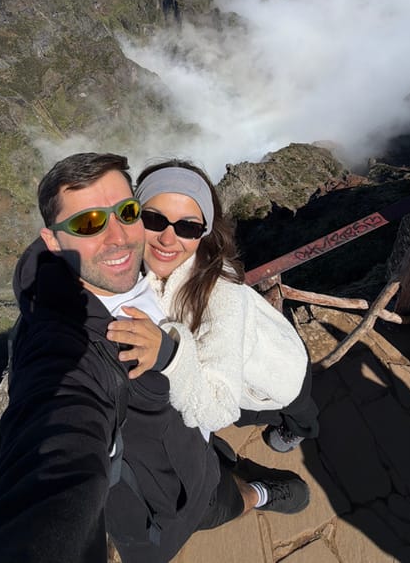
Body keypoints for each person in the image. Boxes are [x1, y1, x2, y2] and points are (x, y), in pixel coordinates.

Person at [0, 152, 309, 563]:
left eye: (127, 212)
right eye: (87, 223)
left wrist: (172, 354)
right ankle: (257, 493)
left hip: (194, 447)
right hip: (158, 501)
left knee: (221, 489)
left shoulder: (145, 267)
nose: (118, 236)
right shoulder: (70, 341)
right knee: (213, 509)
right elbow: (61, 430)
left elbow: (213, 389)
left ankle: (255, 490)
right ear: (52, 240)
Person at [106, 159, 319, 452]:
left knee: (300, 410)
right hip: (261, 356)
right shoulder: (148, 269)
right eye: (154, 219)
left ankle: (299, 432)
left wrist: (170, 358)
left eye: (187, 227)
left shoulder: (221, 292)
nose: (168, 239)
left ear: (204, 231)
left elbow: (220, 409)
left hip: (278, 373)